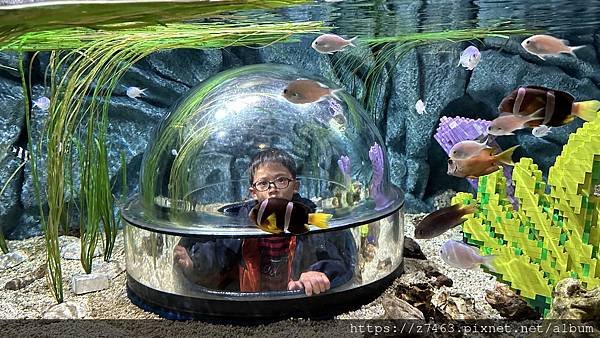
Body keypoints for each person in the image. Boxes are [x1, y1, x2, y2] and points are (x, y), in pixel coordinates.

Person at [174, 148, 356, 295]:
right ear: (253, 192)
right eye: (263, 183)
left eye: (281, 180)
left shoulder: (307, 216)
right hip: (251, 305)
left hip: (296, 303)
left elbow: (335, 254)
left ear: (296, 186)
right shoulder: (242, 220)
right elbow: (219, 253)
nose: (273, 189)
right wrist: (194, 265)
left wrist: (318, 272)